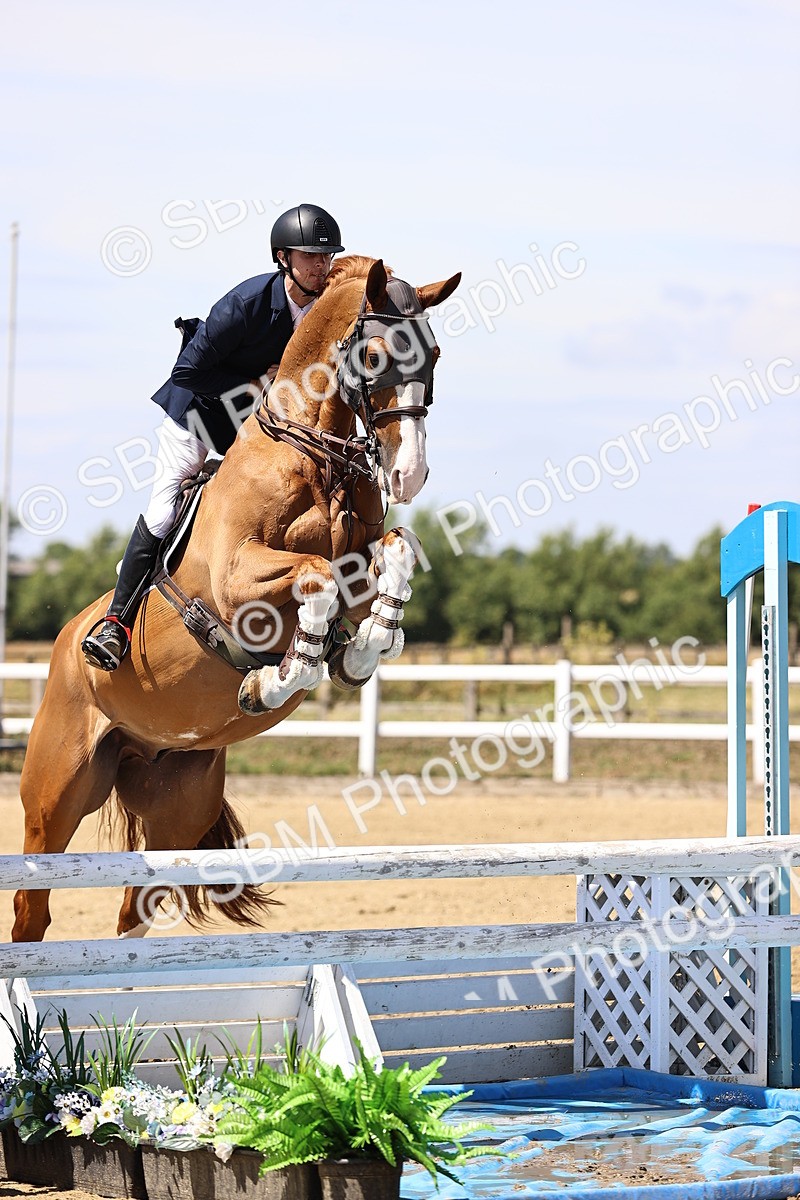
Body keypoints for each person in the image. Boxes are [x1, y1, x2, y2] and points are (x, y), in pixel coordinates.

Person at [81, 203, 344, 672]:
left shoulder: (326, 308)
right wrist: (251, 387)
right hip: (198, 416)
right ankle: (116, 624)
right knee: (163, 508)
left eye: (326, 257)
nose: (321, 266)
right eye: (310, 257)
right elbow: (188, 371)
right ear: (282, 258)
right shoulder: (244, 306)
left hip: (261, 428)